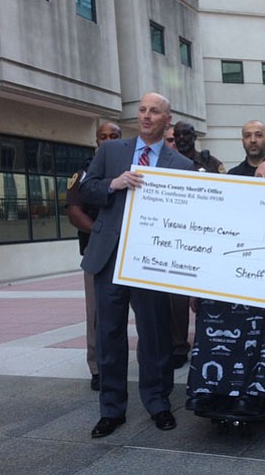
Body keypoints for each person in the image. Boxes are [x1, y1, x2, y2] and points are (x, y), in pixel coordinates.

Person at [80, 92, 194, 438]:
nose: (146, 116)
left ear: (167, 119)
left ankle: (158, 402)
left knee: (156, 335)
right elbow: (86, 191)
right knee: (109, 335)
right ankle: (111, 410)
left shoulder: (182, 166)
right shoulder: (111, 151)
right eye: (142, 110)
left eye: (154, 111)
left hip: (152, 260)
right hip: (110, 256)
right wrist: (113, 184)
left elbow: (188, 215)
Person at [186, 159, 265, 417]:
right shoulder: (233, 215)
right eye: (258, 176)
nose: (263, 181)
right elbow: (214, 254)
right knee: (211, 306)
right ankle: (208, 390)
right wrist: (198, 287)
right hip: (238, 291)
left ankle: (257, 392)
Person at [65, 121, 121, 391]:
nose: (108, 140)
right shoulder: (84, 174)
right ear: (96, 140)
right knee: (97, 314)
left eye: (114, 136)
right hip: (97, 251)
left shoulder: (134, 170)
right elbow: (74, 212)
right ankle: (98, 368)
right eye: (103, 136)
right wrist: (101, 232)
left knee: (147, 312)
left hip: (131, 252)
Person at [169, 121, 226, 369]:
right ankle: (179, 346)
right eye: (178, 134)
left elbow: (227, 192)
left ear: (194, 136)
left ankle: (208, 341)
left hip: (207, 237)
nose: (182, 138)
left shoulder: (210, 162)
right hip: (178, 237)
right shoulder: (167, 162)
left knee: (208, 296)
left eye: (186, 134)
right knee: (177, 299)